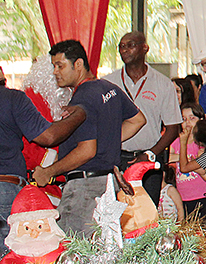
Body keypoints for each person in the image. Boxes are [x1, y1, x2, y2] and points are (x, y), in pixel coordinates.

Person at [34, 40, 145, 237]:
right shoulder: (109, 88)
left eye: (60, 66)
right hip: (107, 184)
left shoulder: (82, 98)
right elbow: (137, 120)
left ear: (78, 64)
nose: (55, 72)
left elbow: (86, 151)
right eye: (53, 66)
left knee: (74, 253)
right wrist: (107, 141)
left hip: (85, 188)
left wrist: (48, 172)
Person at [0, 82, 84, 254]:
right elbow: (48, 136)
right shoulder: (11, 98)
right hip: (6, 187)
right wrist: (79, 115)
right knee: (11, 258)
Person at [105, 31, 183, 205]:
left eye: (130, 45)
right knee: (118, 212)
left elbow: (173, 128)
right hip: (117, 158)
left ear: (145, 48)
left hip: (150, 158)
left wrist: (150, 154)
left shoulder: (162, 83)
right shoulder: (108, 83)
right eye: (121, 47)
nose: (125, 50)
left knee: (147, 213)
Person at [168, 103, 206, 217]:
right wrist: (188, 158)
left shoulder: (202, 142)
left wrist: (183, 159)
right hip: (183, 196)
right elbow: (168, 158)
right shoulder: (176, 142)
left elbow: (203, 164)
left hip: (203, 194)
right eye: (183, 119)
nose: (187, 123)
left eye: (192, 118)